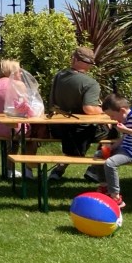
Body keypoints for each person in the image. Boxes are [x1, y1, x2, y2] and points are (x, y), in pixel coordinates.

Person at [46, 46, 102, 181]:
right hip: (79, 130)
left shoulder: (59, 76)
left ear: (74, 59)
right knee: (112, 134)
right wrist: (102, 109)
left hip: (58, 128)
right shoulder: (90, 83)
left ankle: (58, 170)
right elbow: (89, 109)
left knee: (82, 137)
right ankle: (95, 168)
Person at [0, 58, 44, 177]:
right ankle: (28, 169)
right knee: (33, 135)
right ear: (11, 72)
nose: (21, 73)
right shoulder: (17, 85)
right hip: (12, 128)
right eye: (18, 70)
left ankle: (9, 169)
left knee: (14, 138)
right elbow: (27, 107)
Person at [96, 94, 132, 209]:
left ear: (122, 110)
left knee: (110, 163)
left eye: (112, 115)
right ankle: (105, 186)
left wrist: (125, 129)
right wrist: (112, 147)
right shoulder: (126, 117)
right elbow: (125, 137)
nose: (111, 119)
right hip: (126, 148)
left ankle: (116, 197)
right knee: (99, 154)